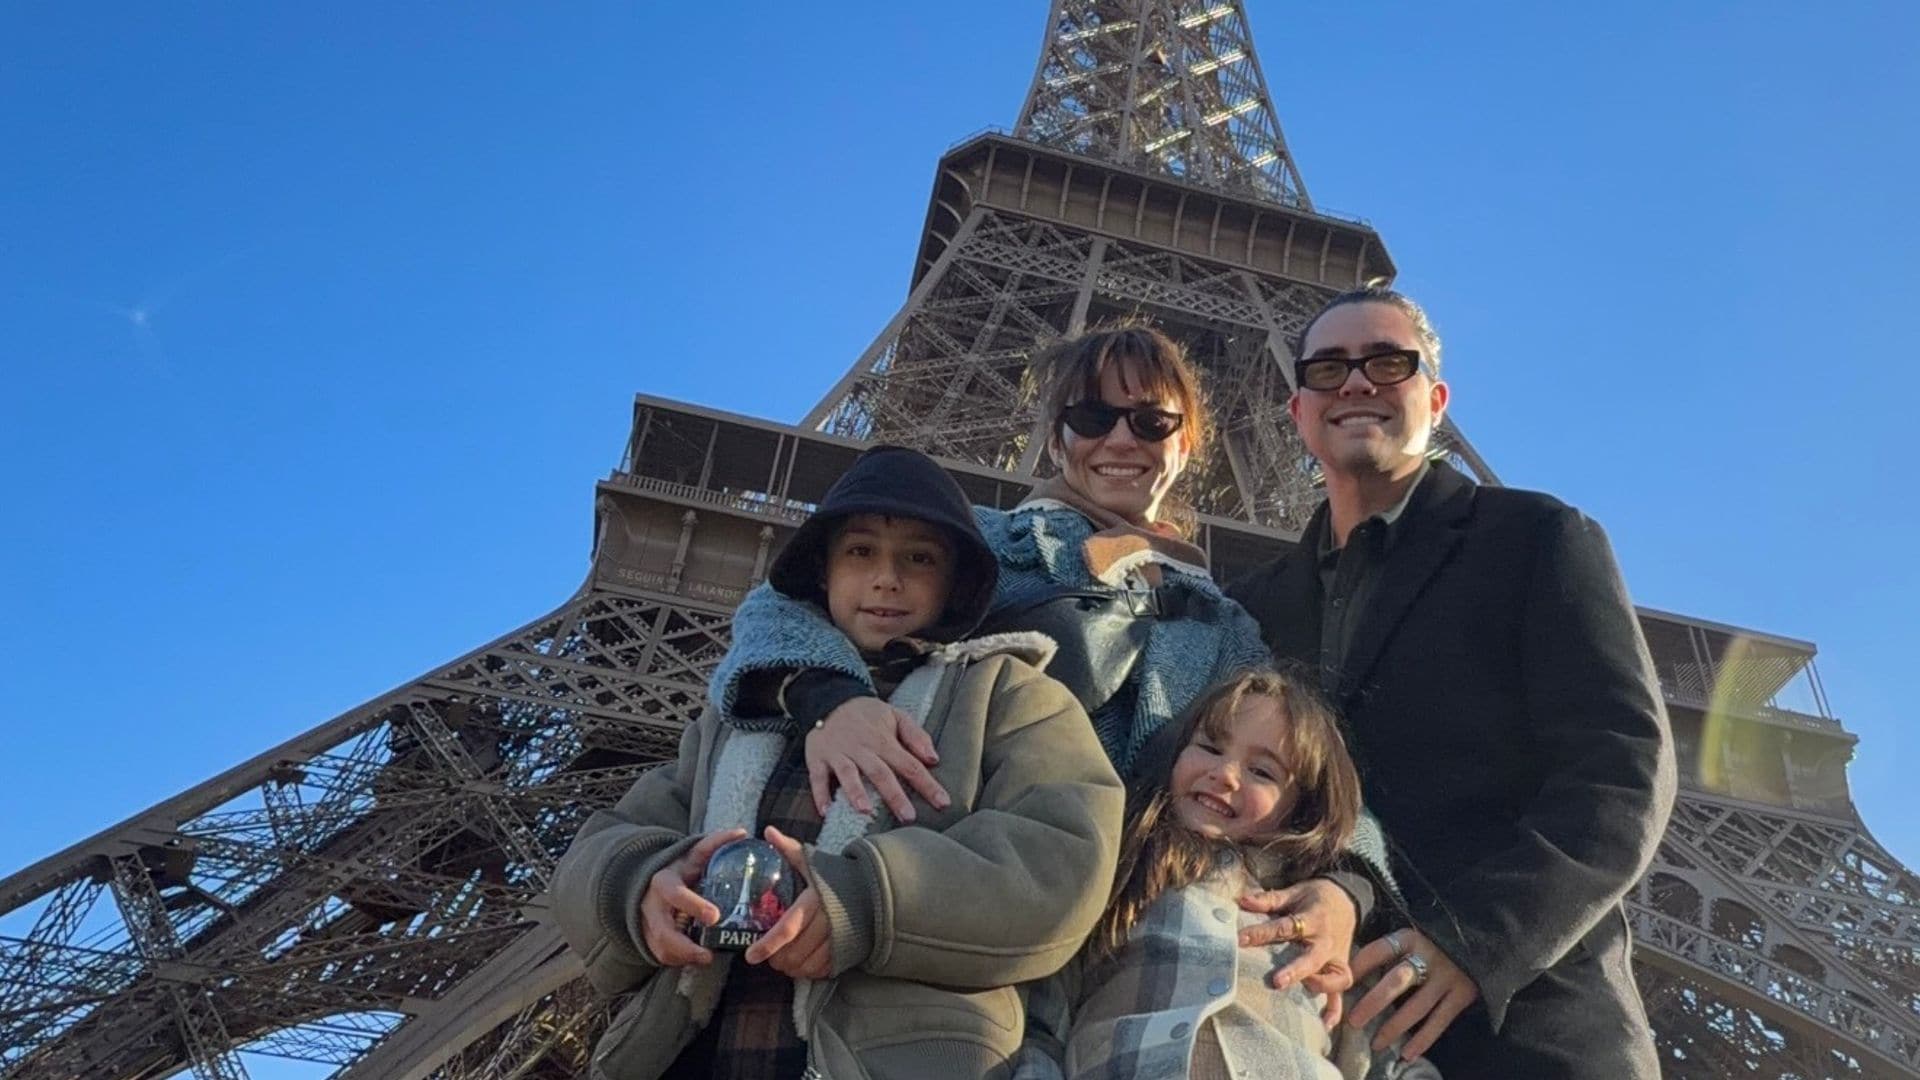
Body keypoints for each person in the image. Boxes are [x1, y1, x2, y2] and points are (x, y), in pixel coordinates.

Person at [709, 324, 1384, 994]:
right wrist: (833, 700)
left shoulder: (1224, 624)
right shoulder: (981, 543)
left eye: (1151, 422)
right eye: (1092, 417)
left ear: (1185, 445)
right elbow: (782, 604)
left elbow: (1306, 756)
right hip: (965, 891)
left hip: (1120, 933)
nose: (1121, 440)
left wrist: (1346, 886)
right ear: (1056, 438)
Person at [551, 445, 1125, 1079]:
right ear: (822, 573)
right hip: (694, 1053)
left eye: (920, 558)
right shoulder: (738, 712)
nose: (886, 577)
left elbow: (1061, 859)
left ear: (956, 584)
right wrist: (641, 887)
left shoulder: (1010, 695)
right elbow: (610, 838)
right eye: (860, 551)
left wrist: (866, 900)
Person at [1228, 287, 1677, 1076]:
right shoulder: (1254, 607)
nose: (1356, 382)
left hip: (1522, 1025)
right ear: (1298, 412)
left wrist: (1476, 941)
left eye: (1386, 362)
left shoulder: (1535, 539)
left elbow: (1620, 767)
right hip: (1307, 1024)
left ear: (1435, 400)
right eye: (1329, 368)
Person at [1021, 668, 1441, 1080]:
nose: (1224, 774)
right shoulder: (1118, 878)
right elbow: (1040, 1023)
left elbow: (1386, 1054)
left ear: (1301, 810)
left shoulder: (1315, 921)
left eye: (1262, 772)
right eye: (1209, 747)